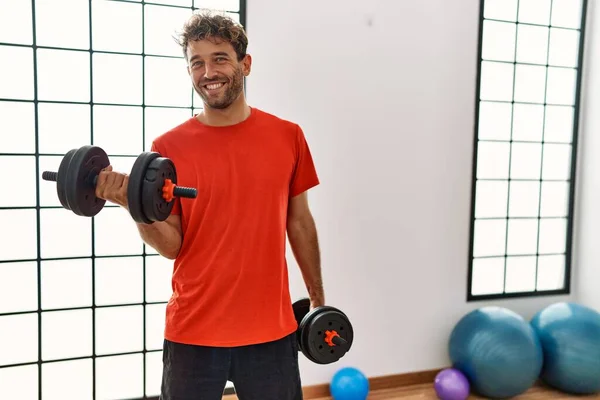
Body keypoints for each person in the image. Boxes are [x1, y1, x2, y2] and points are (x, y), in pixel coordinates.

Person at [94, 9, 324, 400]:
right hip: (194, 331)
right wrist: (131, 203)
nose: (208, 72)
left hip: (271, 330)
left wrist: (318, 296)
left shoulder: (288, 137)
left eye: (219, 58)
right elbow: (172, 245)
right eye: (196, 63)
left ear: (245, 64)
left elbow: (299, 222)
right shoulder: (168, 148)